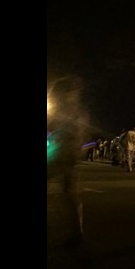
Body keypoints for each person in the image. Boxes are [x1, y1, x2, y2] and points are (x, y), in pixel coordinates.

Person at [47, 75, 89, 249]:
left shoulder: (69, 110)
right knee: (70, 195)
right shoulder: (79, 111)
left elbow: (55, 129)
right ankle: (77, 234)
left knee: (70, 195)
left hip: (62, 155)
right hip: (68, 156)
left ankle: (77, 235)